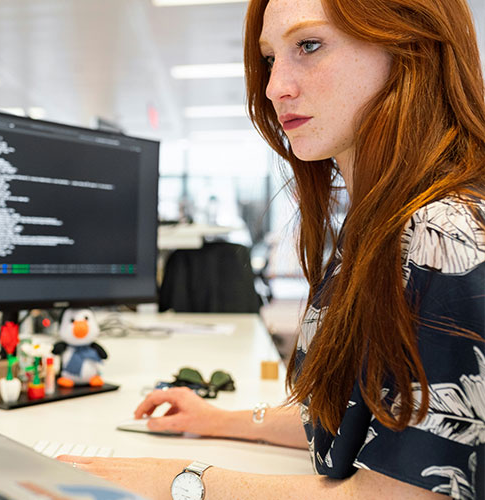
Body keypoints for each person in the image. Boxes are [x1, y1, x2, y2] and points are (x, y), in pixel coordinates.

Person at [57, 0, 485, 497]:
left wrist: (181, 481)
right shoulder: (381, 224)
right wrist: (220, 420)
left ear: (411, 47)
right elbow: (365, 419)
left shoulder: (445, 233)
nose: (274, 86)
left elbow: (404, 494)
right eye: (269, 58)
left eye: (309, 45)